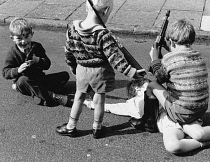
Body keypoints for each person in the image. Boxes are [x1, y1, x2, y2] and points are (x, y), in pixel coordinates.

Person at [56, 0, 145, 139]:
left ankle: (70, 126)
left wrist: (73, 68)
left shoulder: (72, 28)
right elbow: (115, 59)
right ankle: (97, 128)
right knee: (98, 101)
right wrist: (132, 72)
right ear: (105, 10)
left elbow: (69, 52)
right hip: (99, 72)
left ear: (86, 8)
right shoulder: (103, 35)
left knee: (79, 97)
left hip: (81, 69)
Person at [147, 19, 210, 154]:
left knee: (152, 84)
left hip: (180, 112)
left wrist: (154, 60)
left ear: (171, 42)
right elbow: (180, 62)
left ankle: (150, 118)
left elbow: (159, 78)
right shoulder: (199, 58)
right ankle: (203, 140)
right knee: (197, 133)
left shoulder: (169, 59)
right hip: (199, 110)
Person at [2, 18, 72, 107]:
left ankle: (39, 95)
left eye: (26, 36)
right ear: (12, 38)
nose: (24, 41)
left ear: (32, 34)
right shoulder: (12, 53)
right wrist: (18, 70)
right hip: (24, 83)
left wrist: (38, 60)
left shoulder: (37, 47)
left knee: (64, 76)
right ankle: (52, 96)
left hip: (39, 78)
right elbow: (5, 72)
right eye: (19, 38)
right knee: (23, 80)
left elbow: (47, 65)